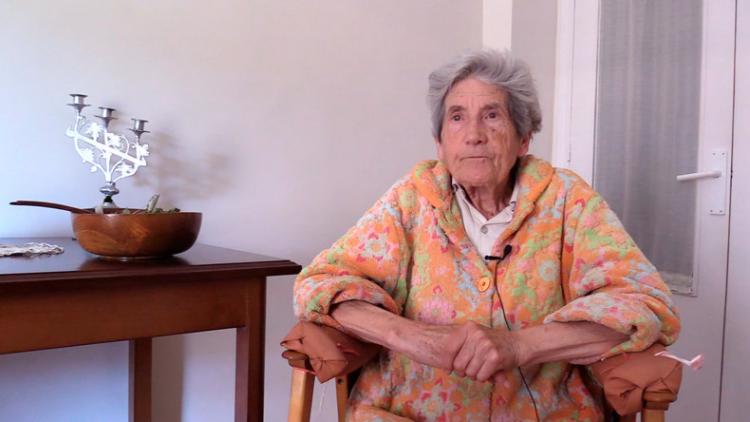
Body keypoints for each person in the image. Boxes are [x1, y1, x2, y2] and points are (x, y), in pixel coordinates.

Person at [293, 49, 680, 421]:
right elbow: (319, 284)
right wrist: (411, 336)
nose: (473, 134)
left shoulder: (567, 201)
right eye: (457, 117)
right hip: (407, 413)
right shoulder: (410, 201)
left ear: (524, 138)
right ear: (440, 143)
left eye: (492, 115)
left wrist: (519, 346)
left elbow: (646, 305)